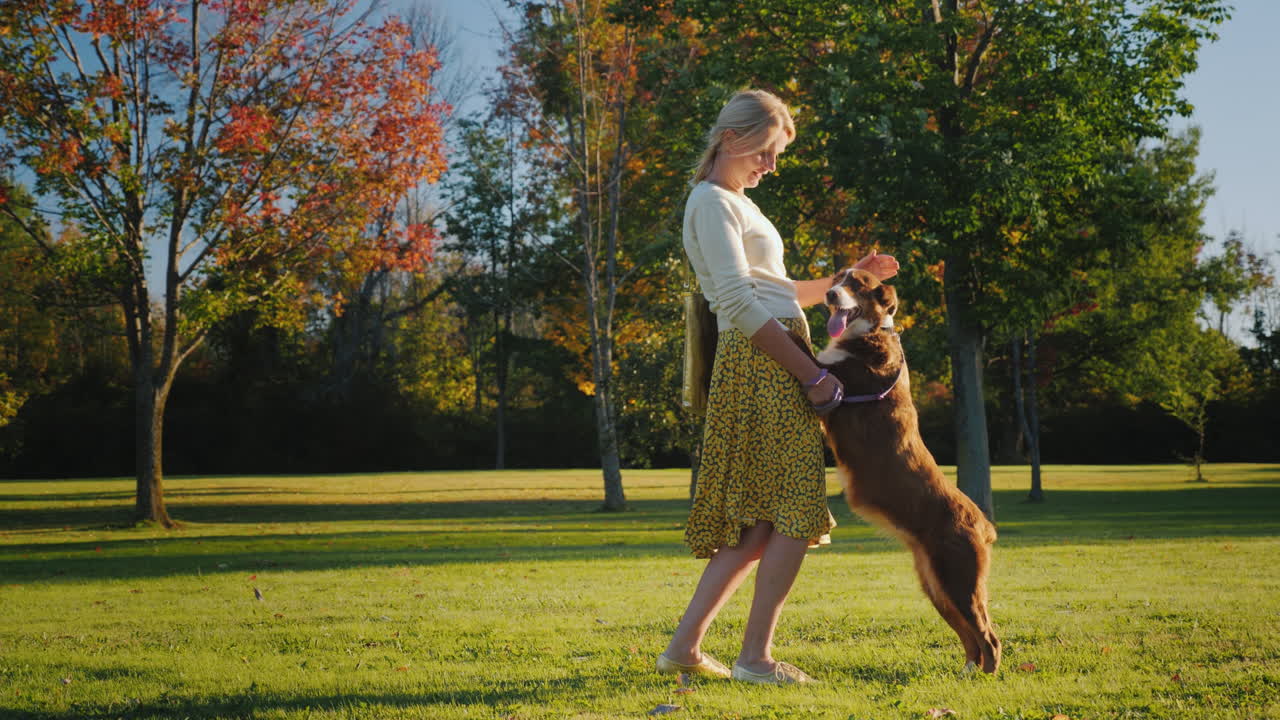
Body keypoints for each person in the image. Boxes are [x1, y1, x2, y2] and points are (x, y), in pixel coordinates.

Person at [658, 89, 898, 685]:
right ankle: (755, 659)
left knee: (763, 525)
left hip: (772, 354)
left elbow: (777, 289)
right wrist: (812, 373)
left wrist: (845, 276)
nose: (772, 165)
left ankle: (684, 649)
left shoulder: (736, 203)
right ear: (732, 140)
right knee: (793, 514)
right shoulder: (712, 202)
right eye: (766, 152)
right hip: (765, 361)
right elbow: (739, 304)